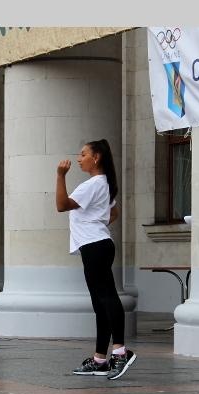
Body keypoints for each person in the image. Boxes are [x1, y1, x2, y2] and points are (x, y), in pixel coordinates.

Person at [55, 138, 136, 380]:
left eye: (83, 154)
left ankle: (120, 352)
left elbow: (61, 205)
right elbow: (114, 212)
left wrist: (60, 175)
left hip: (95, 246)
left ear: (96, 157)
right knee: (100, 302)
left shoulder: (92, 184)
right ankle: (100, 359)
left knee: (107, 298)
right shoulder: (104, 184)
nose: (79, 159)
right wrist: (96, 223)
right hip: (97, 244)